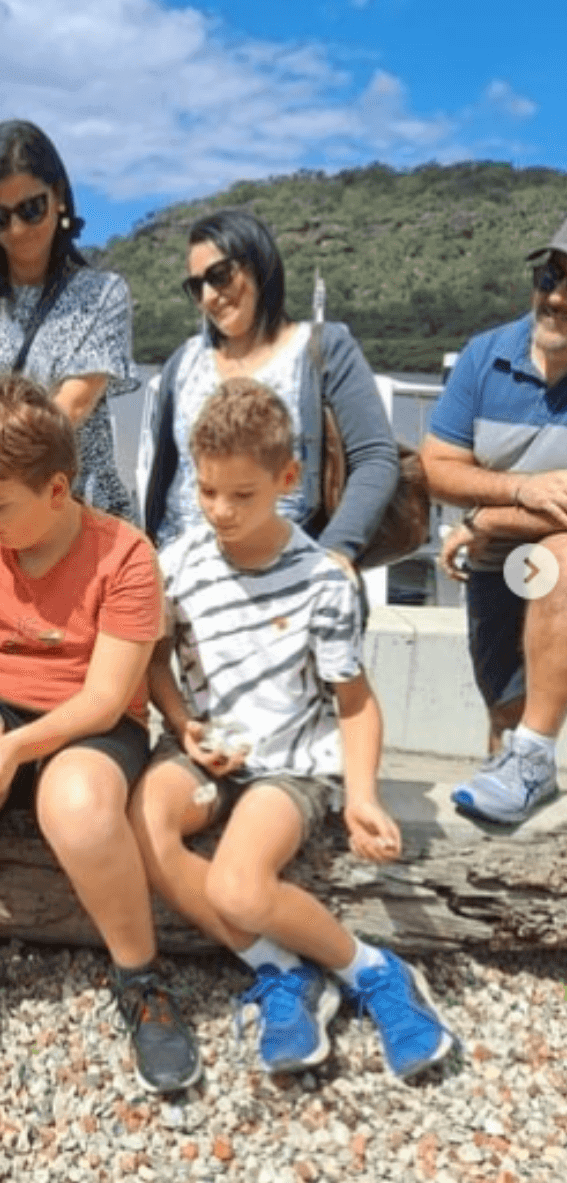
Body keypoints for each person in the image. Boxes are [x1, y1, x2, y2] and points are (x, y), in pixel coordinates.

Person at [131, 379, 455, 1079]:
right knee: (147, 821)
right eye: (208, 490)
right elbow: (156, 664)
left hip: (289, 765)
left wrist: (363, 795)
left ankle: (372, 971)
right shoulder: (179, 564)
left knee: (240, 887)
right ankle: (281, 971)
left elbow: (355, 701)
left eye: (242, 495)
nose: (220, 510)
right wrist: (183, 725)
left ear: (287, 478)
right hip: (205, 748)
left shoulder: (323, 582)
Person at [0, 375, 201, 1095]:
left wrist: (17, 749)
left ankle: (139, 977)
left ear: (57, 490)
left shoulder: (125, 556)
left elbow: (104, 698)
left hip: (90, 726)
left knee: (78, 804)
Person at [0, 118, 138, 588]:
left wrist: (11, 490)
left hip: (68, 492)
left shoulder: (103, 294)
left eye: (31, 209)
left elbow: (69, 408)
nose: (18, 228)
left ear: (58, 196)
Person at [139, 209, 399, 563]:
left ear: (259, 264)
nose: (210, 296)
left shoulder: (323, 351)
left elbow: (374, 458)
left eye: (220, 275)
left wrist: (337, 552)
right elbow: (164, 472)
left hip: (284, 579)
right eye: (196, 286)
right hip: (181, 580)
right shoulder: (182, 363)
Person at [422, 215, 567, 826]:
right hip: (492, 564)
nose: (556, 295)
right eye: (550, 274)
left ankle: (533, 759)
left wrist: (484, 520)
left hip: (542, 562)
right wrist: (518, 494)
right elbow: (437, 467)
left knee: (557, 558)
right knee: (504, 716)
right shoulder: (486, 356)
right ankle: (518, 764)